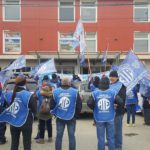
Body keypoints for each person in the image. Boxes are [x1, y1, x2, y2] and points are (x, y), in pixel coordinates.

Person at [0, 75, 37, 150]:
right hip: (26, 122)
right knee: (27, 144)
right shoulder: (29, 95)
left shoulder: (8, 94)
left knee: (14, 144)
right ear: (25, 82)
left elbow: (5, 107)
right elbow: (34, 110)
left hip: (13, 122)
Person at [87, 77, 123, 150]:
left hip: (99, 118)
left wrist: (95, 108)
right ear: (108, 84)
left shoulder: (95, 93)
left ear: (100, 83)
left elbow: (89, 103)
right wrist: (116, 107)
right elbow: (121, 102)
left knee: (101, 139)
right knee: (111, 138)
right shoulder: (112, 92)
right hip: (110, 118)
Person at [50, 77, 82, 150]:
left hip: (59, 117)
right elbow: (79, 105)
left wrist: (55, 114)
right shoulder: (75, 91)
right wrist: (76, 115)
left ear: (61, 83)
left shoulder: (55, 92)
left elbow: (51, 105)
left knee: (59, 136)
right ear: (69, 83)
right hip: (71, 117)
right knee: (71, 136)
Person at [109, 70, 126, 150]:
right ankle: (112, 141)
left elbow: (122, 99)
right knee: (111, 129)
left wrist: (117, 104)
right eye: (110, 76)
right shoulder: (110, 85)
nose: (111, 78)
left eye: (113, 76)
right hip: (110, 111)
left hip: (118, 111)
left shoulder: (121, 86)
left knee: (117, 130)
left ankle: (118, 146)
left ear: (117, 77)